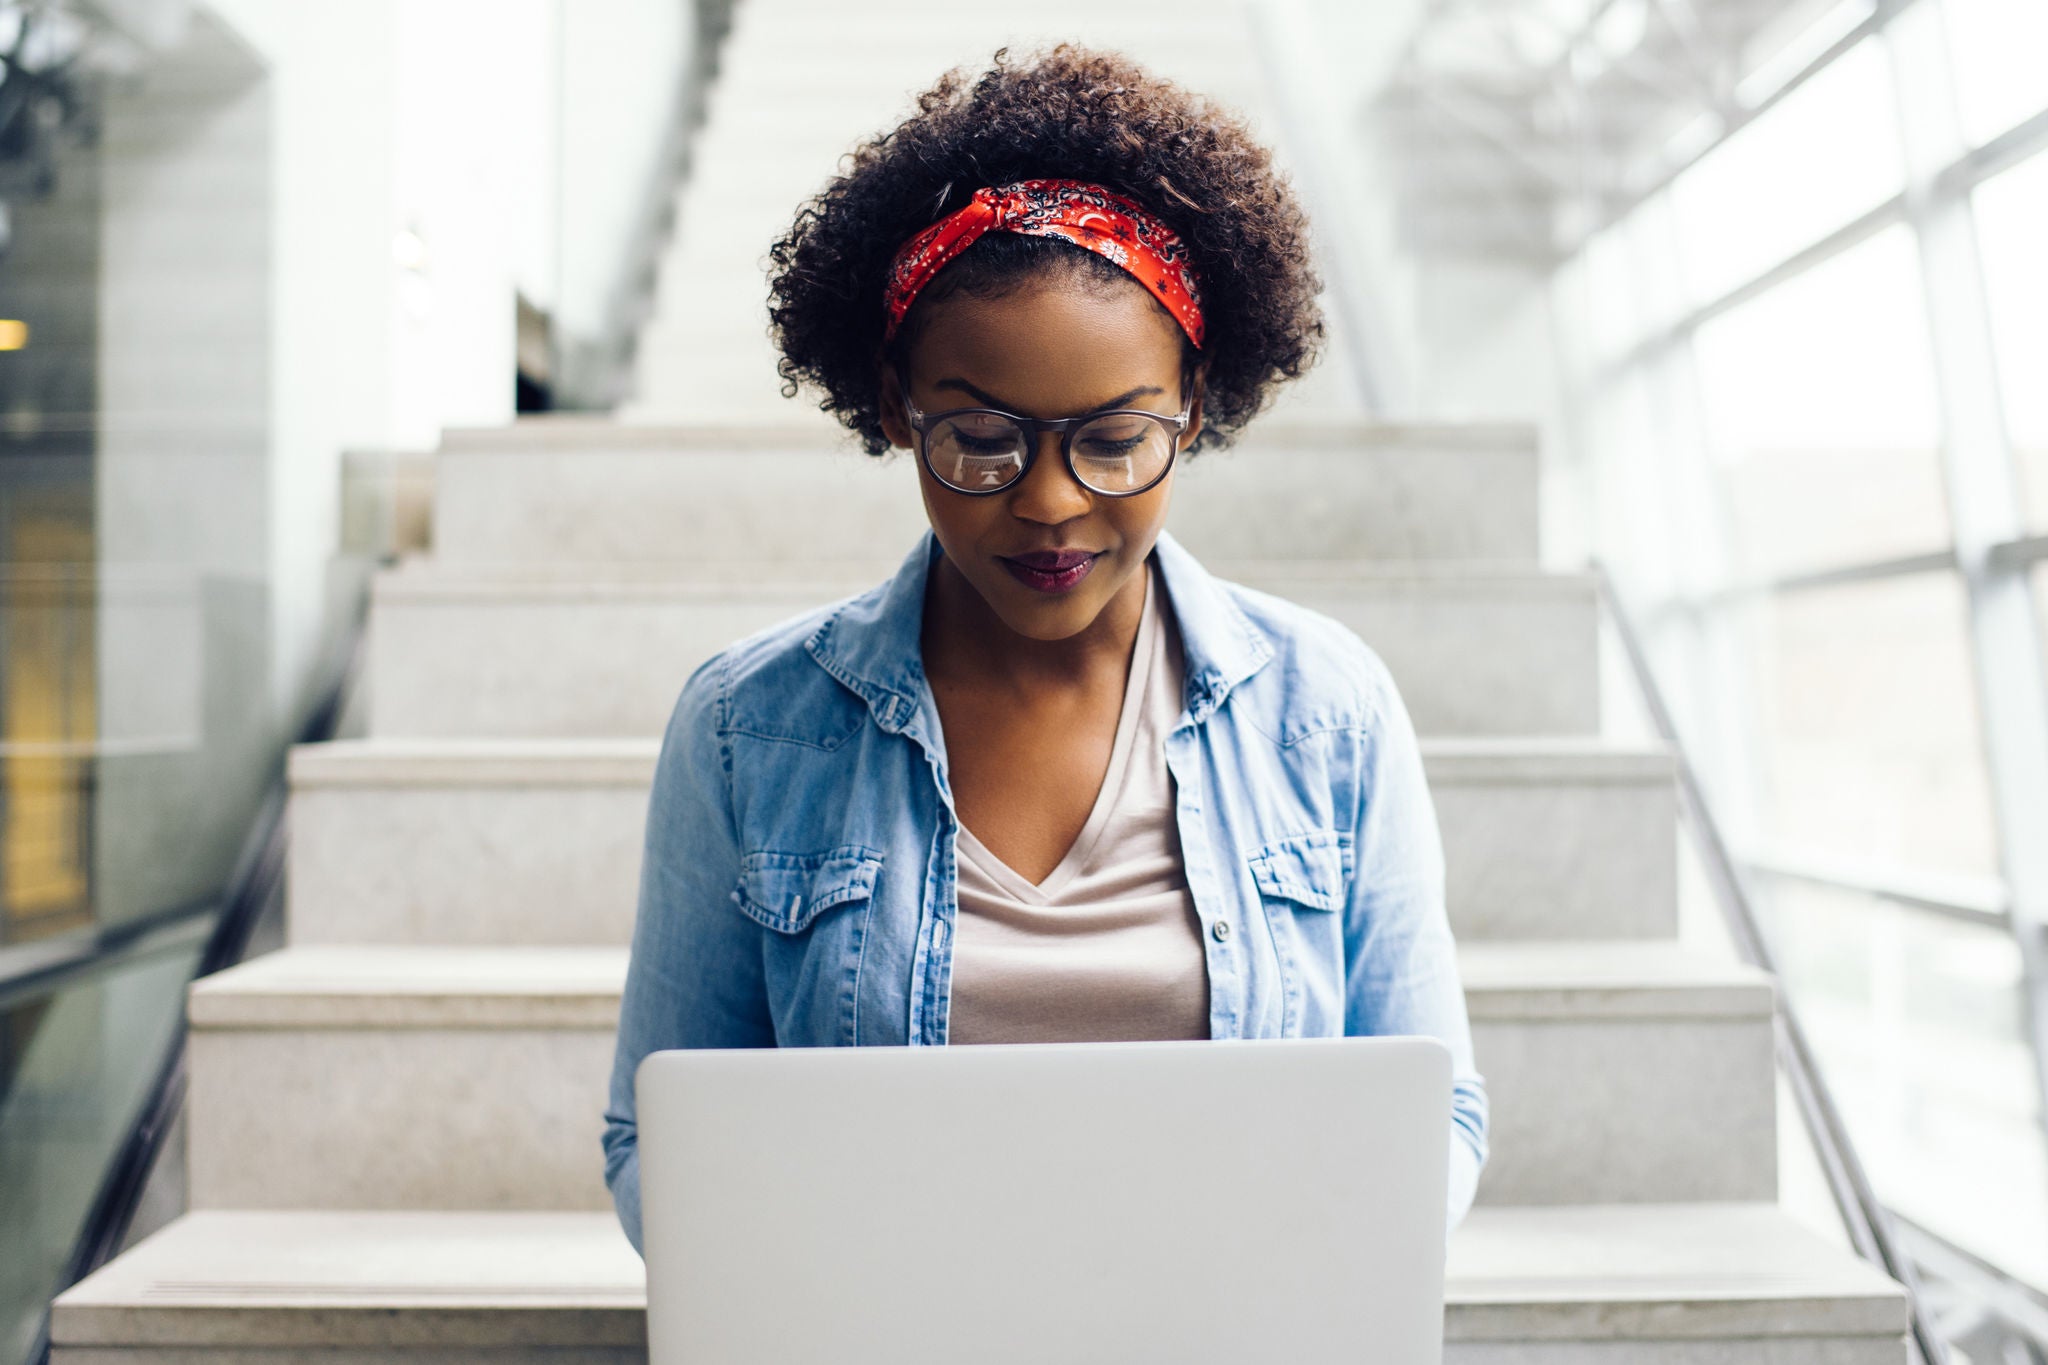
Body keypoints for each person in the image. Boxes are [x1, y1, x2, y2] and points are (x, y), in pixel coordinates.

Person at [602, 44, 1488, 1255]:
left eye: (1117, 439)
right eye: (979, 438)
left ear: (1195, 404)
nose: (1051, 505)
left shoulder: (1324, 710)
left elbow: (1434, 1111)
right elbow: (658, 1138)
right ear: (894, 408)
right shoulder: (747, 727)